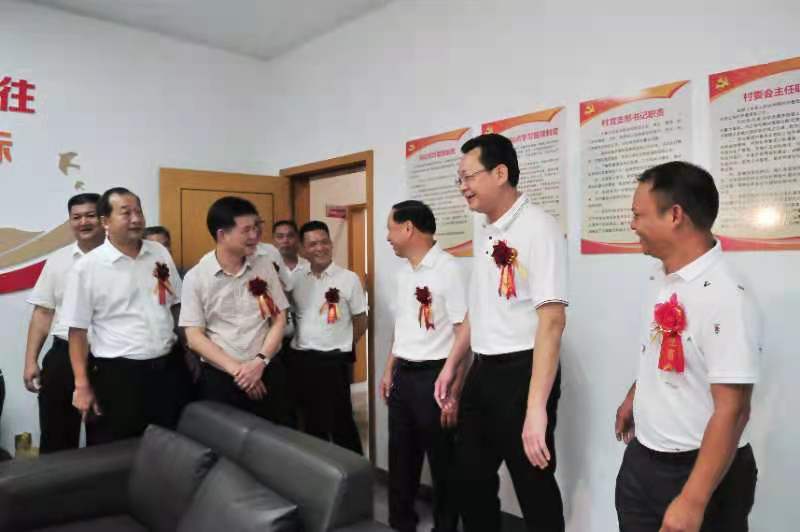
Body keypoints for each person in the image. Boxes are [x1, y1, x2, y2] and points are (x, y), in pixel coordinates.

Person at [614, 161, 760, 532]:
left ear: (675, 215)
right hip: (644, 458)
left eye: (638, 215)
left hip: (701, 473)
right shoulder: (663, 277)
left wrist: (693, 501)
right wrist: (636, 395)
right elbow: (663, 350)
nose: (632, 225)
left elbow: (734, 410)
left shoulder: (726, 295)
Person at [454, 134, 568, 531]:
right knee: (470, 479)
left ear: (500, 173)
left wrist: (536, 409)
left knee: (534, 483)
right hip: (483, 370)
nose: (463, 187)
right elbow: (479, 307)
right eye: (459, 179)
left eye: (469, 176)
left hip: (523, 373)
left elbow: (552, 321)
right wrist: (452, 366)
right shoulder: (485, 230)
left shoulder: (539, 228)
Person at [61, 187, 185, 445]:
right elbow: (77, 331)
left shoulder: (159, 253)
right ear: (105, 221)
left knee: (170, 445)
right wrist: (82, 385)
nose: (136, 219)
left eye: (138, 212)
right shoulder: (87, 267)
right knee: (117, 450)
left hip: (167, 369)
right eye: (126, 213)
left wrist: (189, 350)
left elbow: (175, 305)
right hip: (119, 375)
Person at [381, 200, 470, 532]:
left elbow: (464, 333)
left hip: (436, 378)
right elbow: (402, 327)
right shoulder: (403, 273)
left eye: (390, 229)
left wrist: (455, 391)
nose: (388, 237)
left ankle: (445, 526)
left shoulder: (449, 269)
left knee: (444, 461)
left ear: (408, 228)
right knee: (401, 455)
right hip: (403, 374)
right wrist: (389, 369)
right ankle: (400, 521)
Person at [179, 197, 292, 424]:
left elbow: (280, 318)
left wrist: (259, 362)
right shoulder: (196, 277)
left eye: (256, 227)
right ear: (222, 235)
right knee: (225, 440)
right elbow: (194, 337)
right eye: (246, 230)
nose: (255, 235)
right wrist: (242, 373)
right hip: (222, 377)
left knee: (275, 438)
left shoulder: (264, 265)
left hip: (267, 369)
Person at [23, 193, 104, 453]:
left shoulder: (120, 258)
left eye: (90, 215)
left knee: (106, 439)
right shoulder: (58, 260)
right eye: (76, 217)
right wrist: (30, 360)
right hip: (63, 356)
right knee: (56, 436)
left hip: (108, 358)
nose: (84, 222)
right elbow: (43, 312)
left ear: (103, 218)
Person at [290, 220, 367, 453]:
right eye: (312, 244)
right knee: (311, 421)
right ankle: (318, 470)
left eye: (324, 242)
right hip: (302, 359)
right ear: (303, 249)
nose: (320, 248)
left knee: (340, 420)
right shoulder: (296, 278)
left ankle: (353, 468)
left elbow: (361, 319)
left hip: (334, 361)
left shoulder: (348, 278)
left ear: (331, 244)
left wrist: (343, 343)